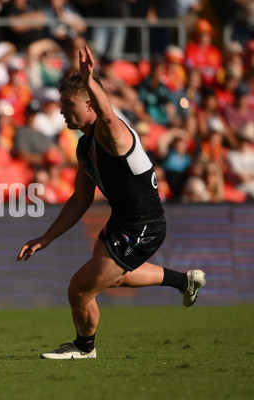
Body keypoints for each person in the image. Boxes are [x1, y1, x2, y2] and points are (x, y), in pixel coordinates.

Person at [17, 45, 206, 360]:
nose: (62, 110)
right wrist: (45, 238)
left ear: (89, 103)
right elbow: (80, 199)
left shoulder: (111, 132)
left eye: (68, 104)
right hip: (123, 222)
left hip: (145, 224)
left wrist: (90, 78)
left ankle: (83, 348)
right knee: (116, 276)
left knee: (79, 288)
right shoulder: (84, 147)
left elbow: (107, 114)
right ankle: (184, 281)